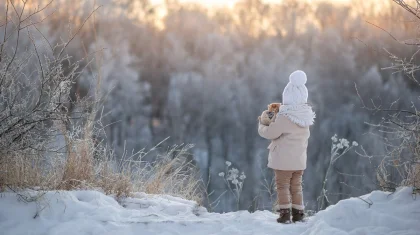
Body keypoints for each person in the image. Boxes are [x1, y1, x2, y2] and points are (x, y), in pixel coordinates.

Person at [258, 70, 315, 223]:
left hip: (283, 161)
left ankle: (284, 214)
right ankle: (298, 214)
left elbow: (270, 133)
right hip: (299, 161)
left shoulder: (284, 118)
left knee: (282, 186)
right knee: (296, 187)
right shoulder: (305, 118)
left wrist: (263, 123)